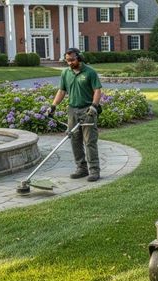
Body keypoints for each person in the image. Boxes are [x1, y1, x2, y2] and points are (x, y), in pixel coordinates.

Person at [49, 48, 103, 182]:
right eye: (67, 60)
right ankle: (81, 168)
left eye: (72, 60)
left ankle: (94, 170)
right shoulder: (65, 73)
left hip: (87, 110)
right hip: (72, 110)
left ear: (79, 58)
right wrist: (53, 106)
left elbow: (97, 90)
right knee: (74, 140)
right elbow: (61, 91)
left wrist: (94, 106)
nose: (69, 63)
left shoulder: (90, 72)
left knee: (89, 141)